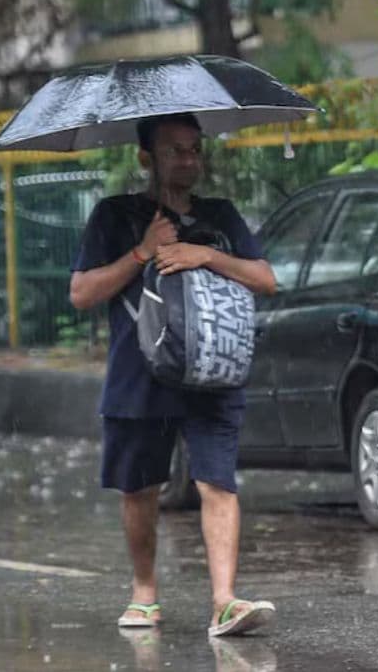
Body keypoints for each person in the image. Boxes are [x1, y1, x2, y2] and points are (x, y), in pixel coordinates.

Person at [69, 113, 279, 636]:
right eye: (174, 151)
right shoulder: (113, 216)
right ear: (146, 158)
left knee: (217, 482)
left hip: (212, 370)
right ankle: (144, 592)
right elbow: (81, 294)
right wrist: (142, 250)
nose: (188, 159)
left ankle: (225, 600)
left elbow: (265, 279)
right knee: (140, 488)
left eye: (194, 149)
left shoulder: (222, 216)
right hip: (139, 375)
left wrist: (203, 253)